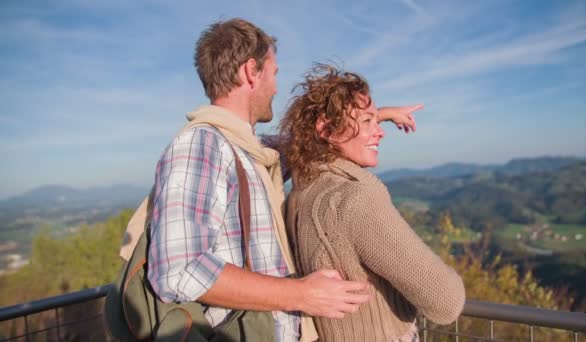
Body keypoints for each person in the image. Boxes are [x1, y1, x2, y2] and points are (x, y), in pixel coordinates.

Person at [143, 18, 420, 341]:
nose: (276, 86)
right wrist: (300, 294)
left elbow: (312, 137)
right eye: (273, 73)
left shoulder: (248, 150)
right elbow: (178, 271)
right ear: (251, 71)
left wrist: (376, 116)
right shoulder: (201, 145)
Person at [280, 64, 466, 341]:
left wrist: (383, 114)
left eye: (376, 121)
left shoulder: (302, 190)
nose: (380, 131)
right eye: (368, 122)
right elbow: (445, 302)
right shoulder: (355, 198)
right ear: (326, 129)